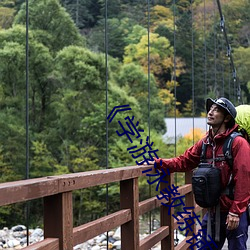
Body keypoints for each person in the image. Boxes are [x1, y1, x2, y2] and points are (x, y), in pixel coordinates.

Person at [148, 97, 250, 249]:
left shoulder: (238, 143)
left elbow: (244, 178)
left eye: (216, 110)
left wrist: (236, 212)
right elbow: (184, 161)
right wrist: (159, 163)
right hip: (212, 211)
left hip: (233, 212)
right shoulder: (205, 143)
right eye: (210, 109)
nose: (210, 112)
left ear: (227, 118)